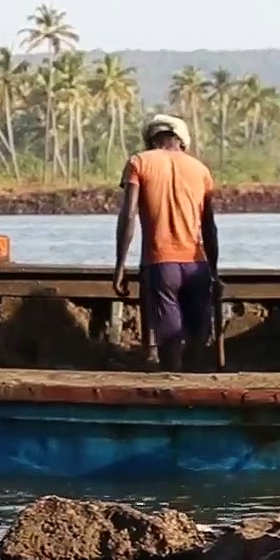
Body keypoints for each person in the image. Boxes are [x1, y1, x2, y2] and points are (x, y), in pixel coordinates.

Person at [112, 114, 219, 371]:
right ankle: (197, 387)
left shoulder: (139, 162)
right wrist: (214, 272)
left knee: (169, 338)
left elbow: (128, 215)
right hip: (197, 264)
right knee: (197, 335)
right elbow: (209, 226)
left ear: (151, 140)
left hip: (160, 264)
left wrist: (120, 265)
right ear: (182, 142)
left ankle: (174, 384)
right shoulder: (200, 170)